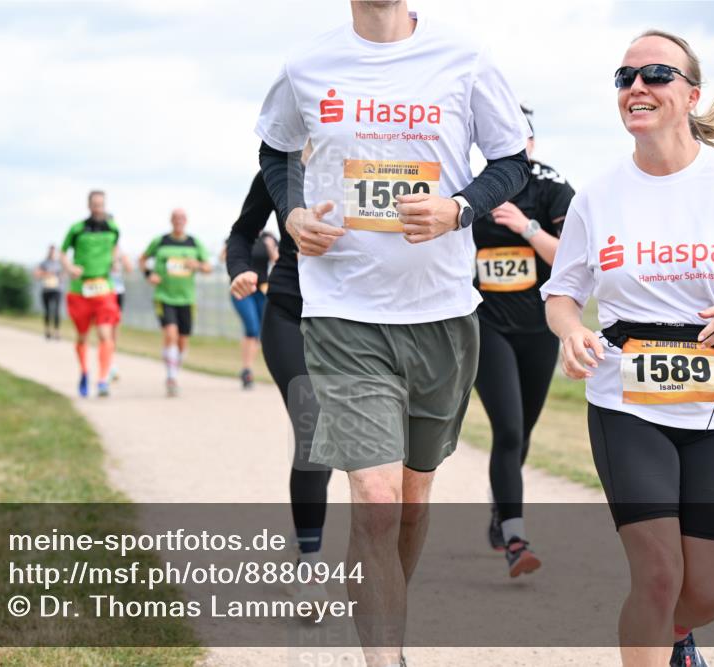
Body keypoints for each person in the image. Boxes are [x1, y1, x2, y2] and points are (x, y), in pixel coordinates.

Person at [255, 2, 531, 664]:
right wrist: (291, 213)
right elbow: (276, 147)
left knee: (410, 500)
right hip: (343, 308)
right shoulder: (306, 65)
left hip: (441, 312)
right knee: (375, 500)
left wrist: (459, 208)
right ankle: (386, 657)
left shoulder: (466, 57)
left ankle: (388, 624)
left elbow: (510, 160)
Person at [542, 30, 714, 667]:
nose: (637, 87)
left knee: (704, 595)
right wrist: (572, 332)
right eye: (625, 78)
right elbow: (562, 293)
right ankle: (651, 634)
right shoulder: (598, 196)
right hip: (627, 400)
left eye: (655, 74)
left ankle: (668, 636)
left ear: (691, 94)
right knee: (656, 577)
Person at [472, 106, 575, 576]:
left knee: (523, 431)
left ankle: (501, 509)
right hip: (487, 327)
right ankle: (516, 537)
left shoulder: (553, 190)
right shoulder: (470, 192)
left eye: (519, 138)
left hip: (540, 329)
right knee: (509, 429)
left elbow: (574, 262)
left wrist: (527, 228)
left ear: (530, 144)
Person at [227, 166, 334, 601]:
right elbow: (242, 232)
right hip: (290, 313)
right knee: (314, 432)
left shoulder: (367, 151)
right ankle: (309, 565)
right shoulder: (281, 169)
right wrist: (238, 268)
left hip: (358, 320)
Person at [140, 208, 211, 397]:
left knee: (182, 341)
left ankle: (174, 371)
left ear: (186, 221)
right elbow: (142, 259)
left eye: (182, 218)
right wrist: (149, 274)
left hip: (187, 299)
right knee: (170, 334)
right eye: (175, 218)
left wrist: (197, 265)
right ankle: (171, 378)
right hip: (164, 297)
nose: (179, 221)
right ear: (171, 220)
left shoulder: (194, 243)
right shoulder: (160, 241)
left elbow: (208, 267)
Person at [61, 191, 122, 397]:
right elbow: (63, 253)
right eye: (95, 205)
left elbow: (115, 247)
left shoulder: (113, 228)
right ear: (89, 206)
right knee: (82, 336)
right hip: (80, 290)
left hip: (104, 288)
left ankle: (103, 379)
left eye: (101, 205)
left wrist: (114, 261)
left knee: (105, 333)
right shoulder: (77, 229)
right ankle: (85, 372)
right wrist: (69, 268)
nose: (98, 208)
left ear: (105, 205)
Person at [224, 229, 278, 389]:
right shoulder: (239, 236)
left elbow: (278, 260)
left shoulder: (269, 238)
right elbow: (224, 258)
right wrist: (227, 248)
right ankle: (247, 371)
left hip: (261, 291)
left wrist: (271, 247)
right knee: (252, 328)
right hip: (242, 289)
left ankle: (251, 369)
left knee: (262, 331)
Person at [108, 250, 133, 380]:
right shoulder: (101, 250)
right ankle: (108, 365)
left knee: (114, 330)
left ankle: (112, 364)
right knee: (105, 330)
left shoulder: (119, 252)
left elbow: (130, 269)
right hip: (105, 292)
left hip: (118, 293)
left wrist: (121, 257)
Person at [34, 245, 64, 340]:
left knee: (57, 311)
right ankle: (47, 331)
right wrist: (47, 274)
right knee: (47, 311)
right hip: (46, 289)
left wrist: (60, 276)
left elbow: (63, 275)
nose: (52, 253)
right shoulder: (43, 263)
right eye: (51, 251)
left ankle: (57, 332)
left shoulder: (59, 263)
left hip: (57, 289)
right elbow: (36, 274)